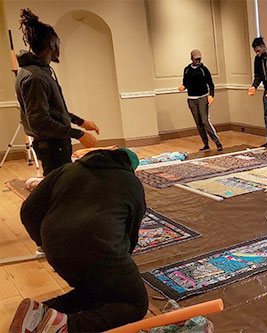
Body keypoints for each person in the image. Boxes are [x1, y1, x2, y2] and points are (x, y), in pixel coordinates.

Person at [10, 148, 148, 332]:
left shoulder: (65, 170)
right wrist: (117, 267)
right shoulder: (131, 183)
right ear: (130, 168)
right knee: (135, 304)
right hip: (100, 251)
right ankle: (66, 327)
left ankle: (40, 312)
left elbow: (28, 211)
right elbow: (130, 235)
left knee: (97, 291)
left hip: (56, 251)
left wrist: (43, 243)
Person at [16, 8, 99, 176]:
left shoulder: (38, 72)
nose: (59, 46)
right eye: (58, 43)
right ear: (52, 45)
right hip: (52, 147)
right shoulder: (35, 77)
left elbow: (53, 111)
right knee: (60, 190)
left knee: (61, 187)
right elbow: (39, 121)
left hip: (55, 144)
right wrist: (79, 134)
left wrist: (80, 121)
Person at [178, 49, 222, 152]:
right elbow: (185, 82)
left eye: (199, 59)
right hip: (192, 99)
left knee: (205, 121)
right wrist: (183, 87)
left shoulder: (204, 69)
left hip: (202, 97)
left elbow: (210, 84)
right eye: (196, 59)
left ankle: (217, 142)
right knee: (199, 123)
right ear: (191, 58)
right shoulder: (187, 70)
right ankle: (205, 144)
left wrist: (211, 95)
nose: (198, 61)